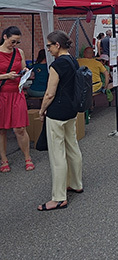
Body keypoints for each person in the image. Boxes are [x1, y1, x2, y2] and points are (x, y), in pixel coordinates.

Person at [38, 30, 83, 211]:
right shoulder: (73, 60)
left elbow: (49, 93)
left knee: (57, 155)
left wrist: (42, 111)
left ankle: (58, 197)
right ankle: (76, 183)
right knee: (72, 146)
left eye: (49, 45)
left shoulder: (57, 65)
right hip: (71, 109)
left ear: (57, 45)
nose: (48, 49)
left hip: (57, 111)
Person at [0, 26, 33, 173]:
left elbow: (23, 67)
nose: (15, 45)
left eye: (17, 42)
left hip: (17, 93)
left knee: (20, 127)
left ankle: (27, 158)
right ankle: (4, 160)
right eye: (13, 41)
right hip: (2, 94)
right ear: (5, 37)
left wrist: (24, 72)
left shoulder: (19, 52)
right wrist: (5, 76)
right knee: (2, 130)